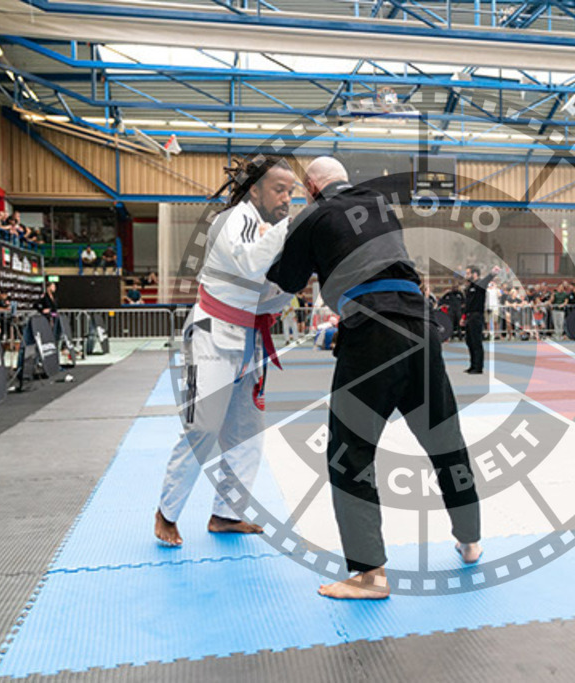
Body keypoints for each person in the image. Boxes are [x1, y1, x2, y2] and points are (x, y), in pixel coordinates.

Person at [267, 156, 482, 600]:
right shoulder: (382, 205)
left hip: (373, 333)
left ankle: (369, 574)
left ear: (310, 187)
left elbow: (283, 280)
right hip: (420, 329)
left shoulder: (313, 215)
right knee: (444, 437)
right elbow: (382, 267)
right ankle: (470, 539)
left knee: (351, 450)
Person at [154, 154, 295, 547]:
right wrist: (289, 229)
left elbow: (268, 293)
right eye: (278, 189)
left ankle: (226, 515)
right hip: (211, 334)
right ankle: (167, 512)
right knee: (203, 427)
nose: (286, 198)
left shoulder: (267, 228)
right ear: (255, 189)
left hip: (249, 340)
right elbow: (250, 265)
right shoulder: (233, 219)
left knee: (247, 434)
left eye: (290, 191)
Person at [463, 265, 499, 373]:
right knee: (469, 341)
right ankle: (472, 365)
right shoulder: (469, 287)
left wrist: (493, 273)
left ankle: (478, 367)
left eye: (468, 273)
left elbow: (487, 279)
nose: (466, 275)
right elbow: (467, 304)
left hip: (477, 316)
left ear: (475, 274)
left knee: (476, 342)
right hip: (469, 316)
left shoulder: (480, 285)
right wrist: (464, 316)